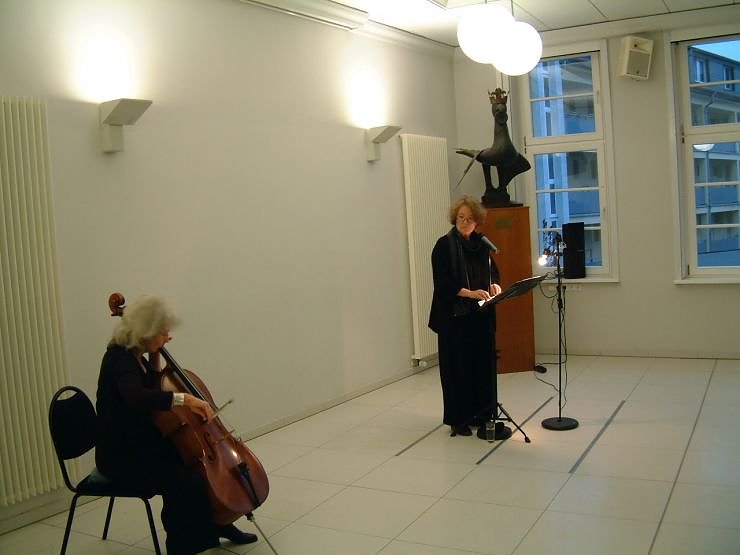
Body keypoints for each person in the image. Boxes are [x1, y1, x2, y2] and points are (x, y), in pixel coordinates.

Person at [95, 295, 257, 555]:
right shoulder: (120, 359)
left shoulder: (136, 354)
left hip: (140, 443)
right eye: (163, 331)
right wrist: (184, 398)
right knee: (186, 482)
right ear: (145, 331)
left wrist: (155, 355)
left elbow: (152, 383)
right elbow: (137, 396)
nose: (167, 336)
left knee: (195, 464)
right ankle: (184, 547)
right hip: (121, 456)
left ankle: (219, 523)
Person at [428, 196, 502, 438]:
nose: (464, 222)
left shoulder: (482, 245)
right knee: (457, 369)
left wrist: (495, 286)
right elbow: (443, 283)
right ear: (455, 218)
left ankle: (481, 414)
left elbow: (493, 273)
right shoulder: (444, 245)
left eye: (469, 218)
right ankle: (458, 420)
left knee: (480, 366)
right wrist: (469, 293)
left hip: (479, 316)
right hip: (454, 318)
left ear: (477, 221)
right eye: (461, 217)